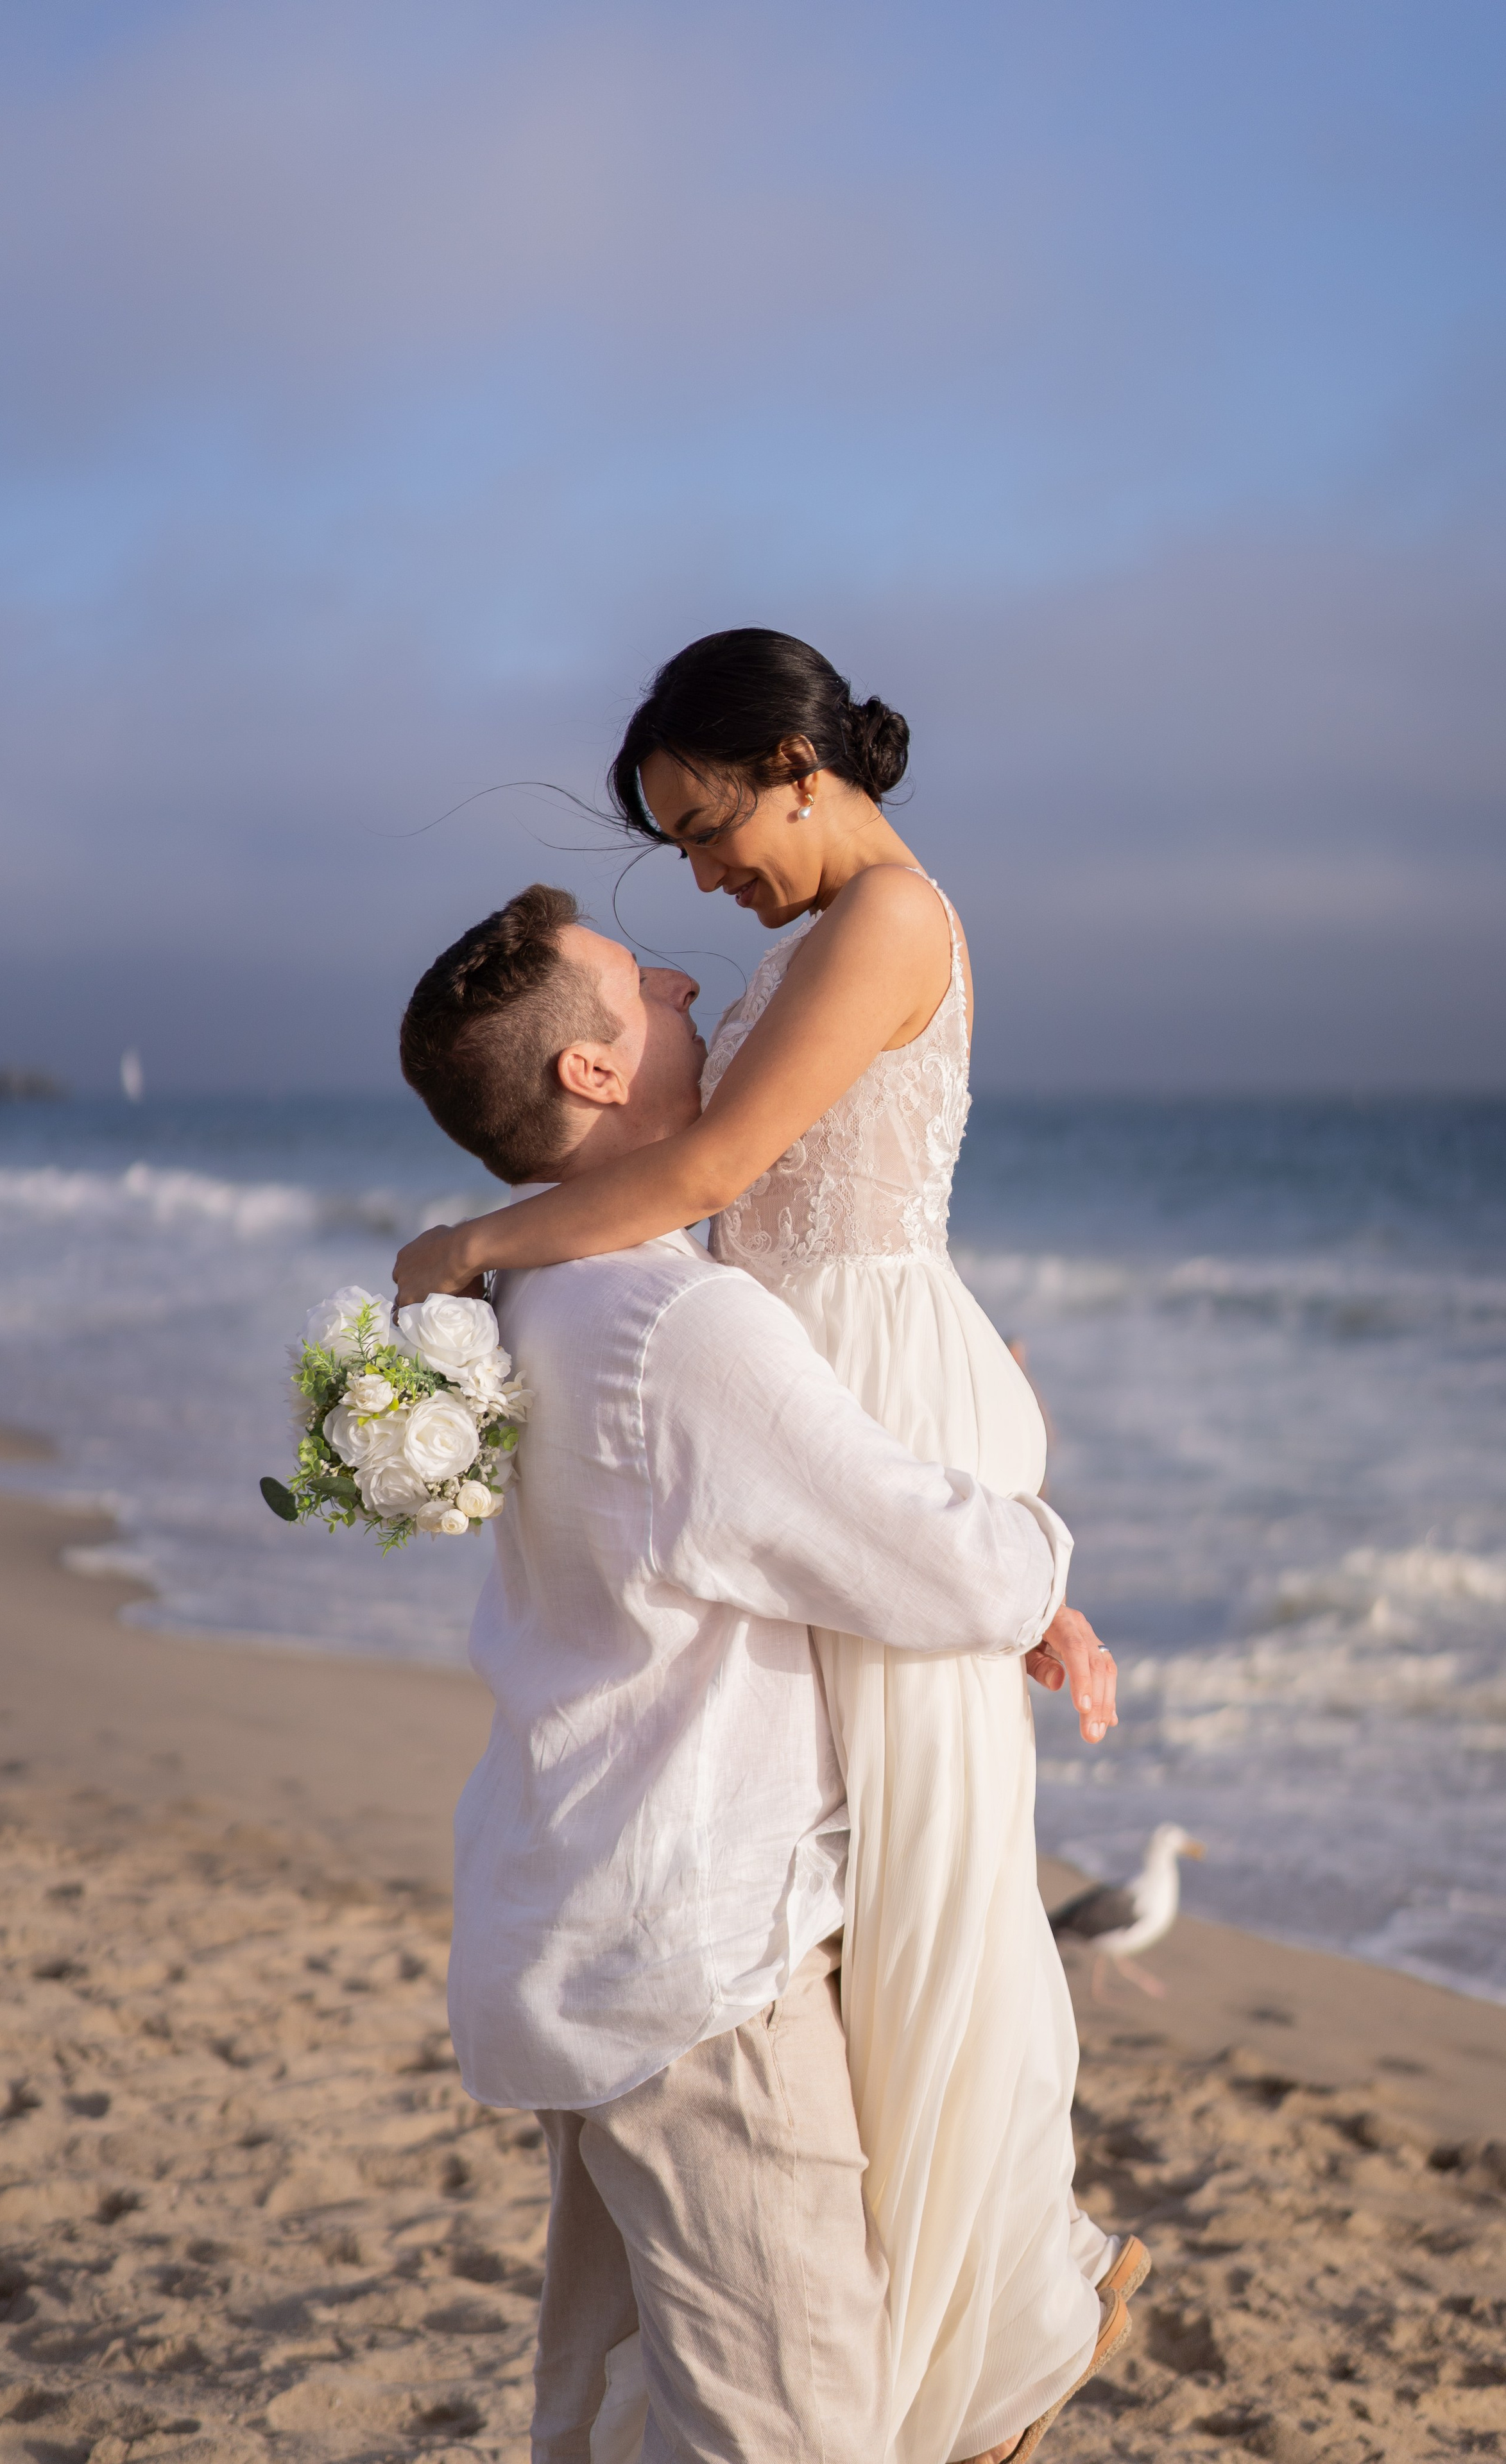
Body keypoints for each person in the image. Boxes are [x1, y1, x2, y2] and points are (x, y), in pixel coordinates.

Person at [394, 634, 1139, 2464]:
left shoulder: (887, 915)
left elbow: (716, 1178)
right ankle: (963, 2339)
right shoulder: (804, 945)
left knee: (934, 1904)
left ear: (802, 762)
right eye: (680, 852)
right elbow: (712, 1219)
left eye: (714, 830)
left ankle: (999, 2331)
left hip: (844, 1371)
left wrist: (486, 1245)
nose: (710, 885)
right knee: (890, 1918)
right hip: (815, 1387)